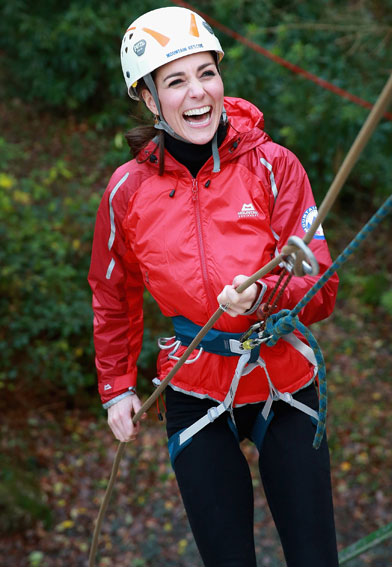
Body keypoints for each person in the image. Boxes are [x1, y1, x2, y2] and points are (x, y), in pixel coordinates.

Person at [88, 6, 339, 566]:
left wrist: (265, 296)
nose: (197, 92)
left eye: (207, 73)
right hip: (194, 386)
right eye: (176, 81)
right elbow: (112, 291)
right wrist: (116, 386)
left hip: (283, 381)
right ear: (150, 100)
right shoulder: (126, 191)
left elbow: (321, 286)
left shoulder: (274, 166)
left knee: (316, 557)